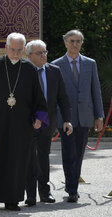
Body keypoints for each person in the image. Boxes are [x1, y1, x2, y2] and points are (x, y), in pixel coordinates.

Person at [0, 32, 48, 211]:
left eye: (19, 50)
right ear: (6, 48)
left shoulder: (29, 69)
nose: (16, 54)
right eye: (12, 50)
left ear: (24, 50)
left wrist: (39, 117)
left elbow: (37, 96)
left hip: (21, 124)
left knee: (17, 161)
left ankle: (12, 199)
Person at [51, 30, 104, 202]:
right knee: (68, 152)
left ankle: (72, 183)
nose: (75, 44)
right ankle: (72, 189)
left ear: (82, 43)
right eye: (72, 41)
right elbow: (55, 95)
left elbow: (95, 90)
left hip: (85, 116)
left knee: (79, 153)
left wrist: (99, 116)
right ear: (65, 42)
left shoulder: (90, 63)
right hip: (66, 118)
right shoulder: (56, 65)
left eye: (78, 41)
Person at [25, 40, 73, 206]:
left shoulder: (54, 71)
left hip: (47, 123)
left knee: (43, 157)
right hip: (27, 123)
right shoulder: (23, 71)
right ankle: (30, 194)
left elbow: (63, 99)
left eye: (45, 52)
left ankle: (44, 192)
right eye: (39, 53)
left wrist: (67, 120)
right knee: (29, 157)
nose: (44, 55)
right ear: (29, 55)